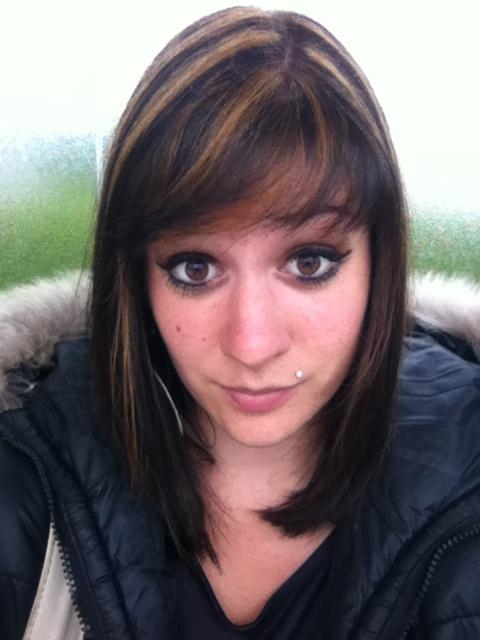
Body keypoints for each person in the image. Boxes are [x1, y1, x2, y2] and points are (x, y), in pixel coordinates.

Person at [0, 6, 479, 639]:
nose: (252, 344)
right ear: (136, 279)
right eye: (195, 268)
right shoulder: (25, 467)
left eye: (309, 262)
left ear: (380, 264)